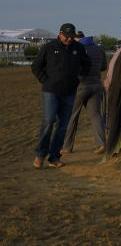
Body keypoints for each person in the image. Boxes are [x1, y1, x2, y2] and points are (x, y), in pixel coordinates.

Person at [31, 23, 90, 169]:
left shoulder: (79, 48)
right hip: (50, 91)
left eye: (71, 37)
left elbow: (87, 64)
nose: (69, 39)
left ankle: (55, 157)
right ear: (60, 34)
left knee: (63, 126)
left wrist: (80, 76)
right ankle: (40, 155)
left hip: (69, 92)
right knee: (49, 120)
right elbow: (36, 66)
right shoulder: (49, 47)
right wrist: (45, 81)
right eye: (67, 36)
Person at [61, 32, 108, 155]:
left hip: (79, 86)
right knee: (96, 115)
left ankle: (67, 147)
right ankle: (101, 143)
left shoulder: (75, 49)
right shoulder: (99, 49)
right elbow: (103, 67)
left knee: (72, 116)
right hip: (96, 84)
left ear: (76, 39)